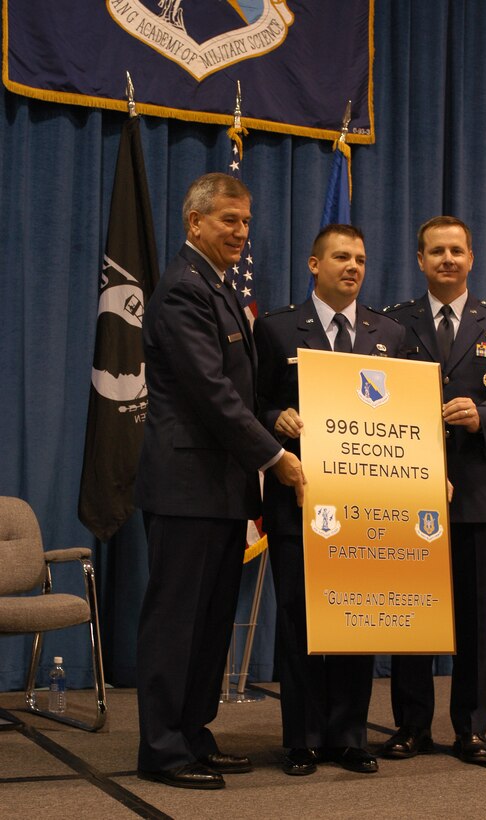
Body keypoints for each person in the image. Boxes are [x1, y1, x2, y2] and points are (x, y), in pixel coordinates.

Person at [134, 172, 305, 790]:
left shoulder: (221, 288)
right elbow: (210, 392)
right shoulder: (184, 289)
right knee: (176, 622)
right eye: (228, 220)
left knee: (208, 627)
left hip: (221, 488)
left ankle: (193, 735)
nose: (240, 231)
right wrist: (275, 456)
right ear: (195, 222)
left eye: (246, 221)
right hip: (186, 488)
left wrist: (272, 423)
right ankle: (162, 750)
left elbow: (241, 389)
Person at [381, 216, 486, 764]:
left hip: (479, 488)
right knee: (411, 613)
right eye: (436, 251)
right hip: (408, 486)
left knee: (474, 617)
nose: (447, 259)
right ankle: (411, 726)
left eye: (456, 251)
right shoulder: (392, 323)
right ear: (419, 260)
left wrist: (484, 414)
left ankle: (471, 728)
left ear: (471, 258)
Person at [253, 224, 405, 776]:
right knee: (300, 619)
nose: (353, 267)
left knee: (357, 618)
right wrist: (276, 418)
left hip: (366, 504)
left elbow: (404, 415)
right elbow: (251, 403)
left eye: (360, 258)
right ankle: (302, 738)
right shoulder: (276, 328)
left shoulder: (389, 333)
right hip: (300, 499)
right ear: (314, 265)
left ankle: (348, 735)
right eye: (341, 257)